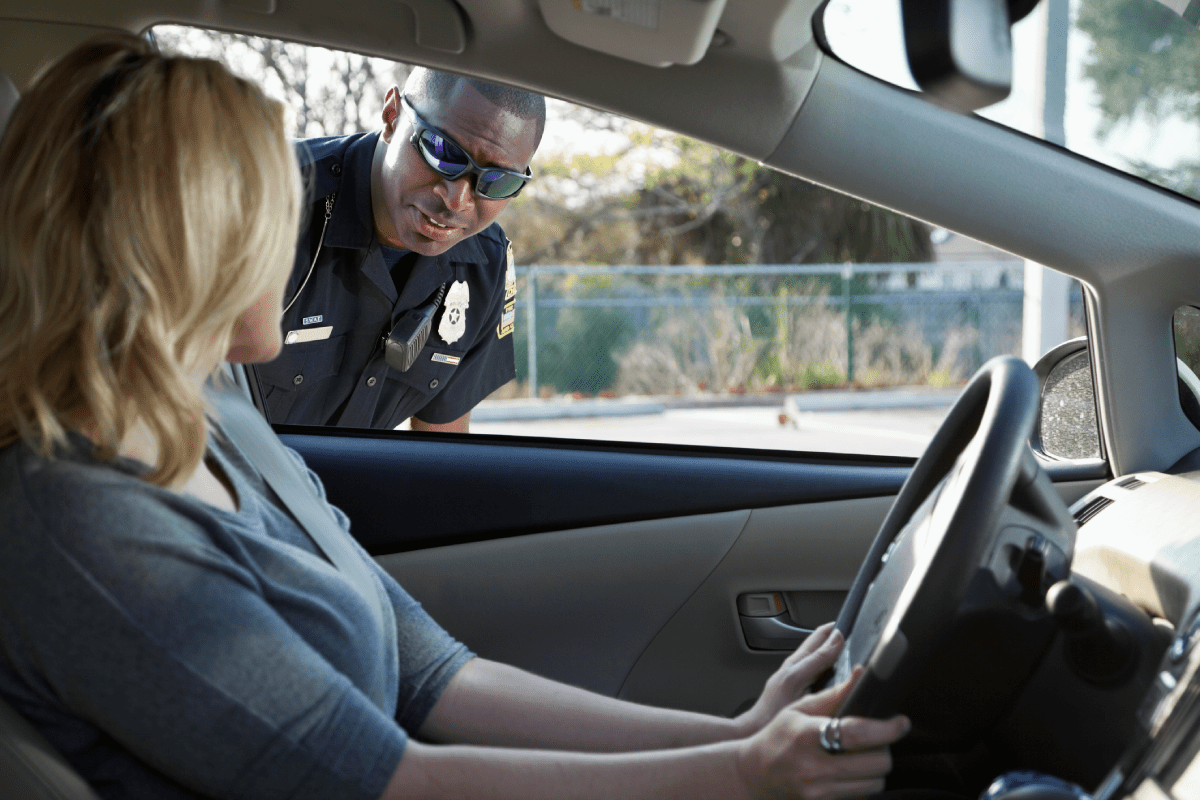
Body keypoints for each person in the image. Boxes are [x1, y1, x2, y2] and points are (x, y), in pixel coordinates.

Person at [0, 34, 909, 800]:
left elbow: (426, 667)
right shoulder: (83, 522)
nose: (294, 225)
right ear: (186, 244)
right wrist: (738, 774)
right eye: (268, 207)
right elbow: (384, 781)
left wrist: (733, 732)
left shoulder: (209, 403)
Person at [253, 67, 540, 433]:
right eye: (442, 152)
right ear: (391, 117)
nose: (457, 201)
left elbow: (438, 453)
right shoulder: (264, 200)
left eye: (498, 182)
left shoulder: (486, 264)